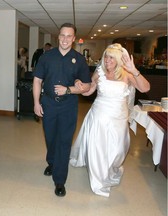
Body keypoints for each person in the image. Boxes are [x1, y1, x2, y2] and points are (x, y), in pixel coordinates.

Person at [70, 43, 150, 197]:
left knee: (118, 150)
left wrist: (134, 70)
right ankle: (98, 180)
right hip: (99, 115)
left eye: (111, 57)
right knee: (98, 148)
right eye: (106, 56)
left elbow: (145, 88)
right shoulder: (99, 73)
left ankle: (110, 169)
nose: (107, 60)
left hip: (119, 118)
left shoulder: (127, 75)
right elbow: (89, 91)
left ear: (119, 59)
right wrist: (80, 86)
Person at [33, 23, 91, 197]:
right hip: (49, 104)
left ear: (74, 39)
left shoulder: (79, 59)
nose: (65, 39)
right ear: (58, 37)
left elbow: (87, 86)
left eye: (69, 36)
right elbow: (37, 80)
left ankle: (60, 180)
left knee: (64, 142)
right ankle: (52, 162)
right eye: (62, 35)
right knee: (51, 138)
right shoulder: (47, 57)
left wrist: (70, 89)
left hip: (68, 105)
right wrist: (36, 103)